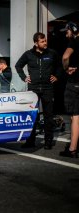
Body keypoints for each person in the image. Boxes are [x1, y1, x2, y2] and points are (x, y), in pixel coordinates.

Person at [15, 32, 62, 149]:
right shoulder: (28, 54)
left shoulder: (52, 53)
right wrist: (24, 77)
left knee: (48, 116)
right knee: (32, 116)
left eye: (45, 40)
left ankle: (48, 141)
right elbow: (18, 65)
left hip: (48, 88)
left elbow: (60, 66)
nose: (45, 43)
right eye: (42, 41)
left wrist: (57, 76)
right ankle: (30, 141)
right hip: (33, 89)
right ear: (36, 43)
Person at [59, 22, 79, 158]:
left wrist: (66, 68)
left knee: (75, 117)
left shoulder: (74, 43)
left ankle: (72, 149)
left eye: (67, 32)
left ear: (73, 30)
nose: (66, 35)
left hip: (75, 83)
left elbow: (65, 57)